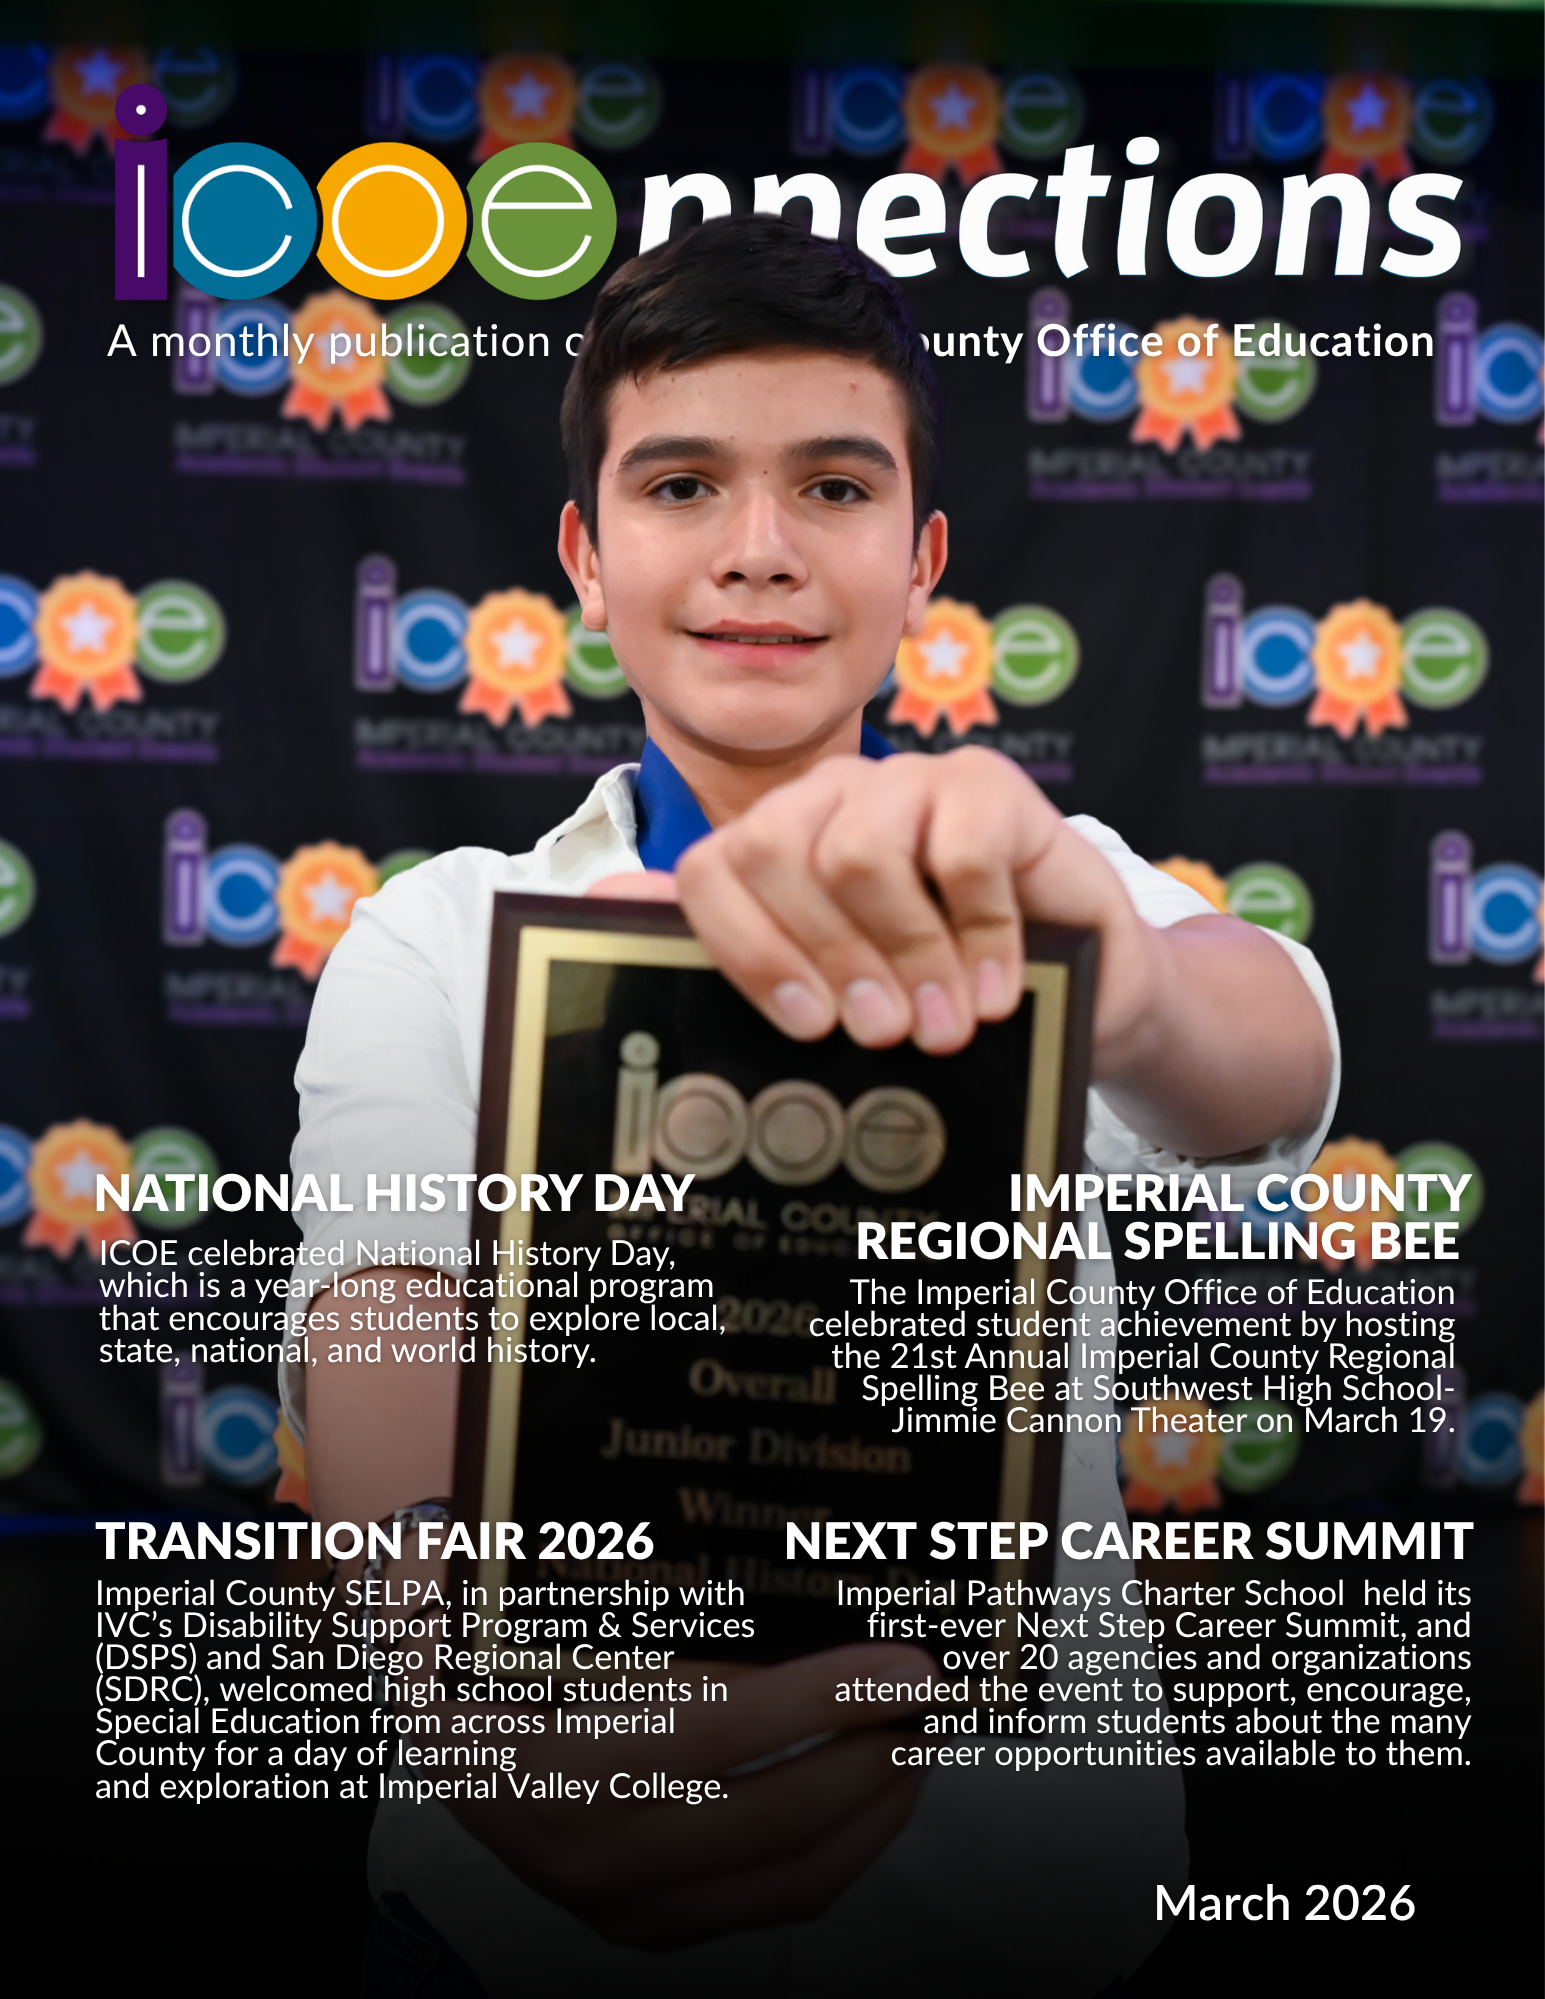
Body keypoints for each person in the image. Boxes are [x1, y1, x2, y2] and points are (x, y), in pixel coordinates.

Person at [285, 216, 1338, 1996]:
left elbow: (1271, 1057)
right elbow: (386, 1324)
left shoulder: (1045, 873)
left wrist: (1119, 980)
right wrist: (463, 1693)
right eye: (683, 483)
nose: (759, 552)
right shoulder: (438, 932)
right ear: (586, 558)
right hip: (520, 1935)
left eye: (833, 489)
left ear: (922, 557)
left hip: (1031, 1920)